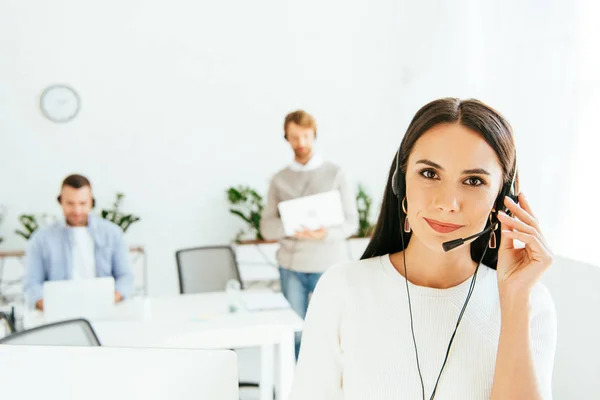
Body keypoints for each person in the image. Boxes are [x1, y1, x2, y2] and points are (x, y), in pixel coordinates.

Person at [289, 99, 557, 399]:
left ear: (502, 198)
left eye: (473, 180)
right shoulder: (342, 289)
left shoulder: (530, 301)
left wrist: (515, 300)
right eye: (430, 174)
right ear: (400, 182)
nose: (447, 202)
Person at [260, 110, 359, 358]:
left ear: (314, 135)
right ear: (286, 138)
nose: (301, 143)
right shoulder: (279, 180)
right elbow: (266, 227)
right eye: (294, 137)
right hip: (292, 267)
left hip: (328, 264)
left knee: (332, 332)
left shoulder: (336, 174)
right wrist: (292, 227)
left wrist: (325, 233)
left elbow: (351, 223)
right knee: (294, 333)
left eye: (305, 136)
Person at [24, 174, 134, 310]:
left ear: (91, 202)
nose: (77, 211)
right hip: (59, 313)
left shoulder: (112, 233)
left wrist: (110, 299)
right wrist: (49, 306)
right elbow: (32, 283)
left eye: (83, 203)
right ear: (60, 201)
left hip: (104, 309)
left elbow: (125, 277)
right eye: (70, 203)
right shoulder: (41, 239)